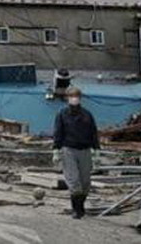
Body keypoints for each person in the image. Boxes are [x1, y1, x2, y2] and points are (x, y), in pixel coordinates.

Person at [53, 85, 100, 219]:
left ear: (80, 98)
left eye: (76, 96)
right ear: (67, 98)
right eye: (72, 96)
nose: (74, 99)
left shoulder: (87, 114)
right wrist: (56, 150)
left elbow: (93, 132)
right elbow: (58, 132)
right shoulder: (62, 114)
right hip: (69, 149)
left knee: (85, 182)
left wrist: (96, 150)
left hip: (85, 150)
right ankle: (77, 210)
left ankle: (81, 206)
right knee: (74, 181)